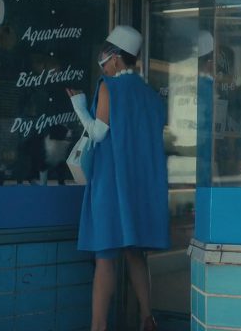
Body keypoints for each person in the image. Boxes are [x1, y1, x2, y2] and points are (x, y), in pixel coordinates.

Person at [66, 25, 169, 331]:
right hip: (141, 184)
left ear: (115, 58)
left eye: (106, 53)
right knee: (135, 253)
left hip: (111, 182)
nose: (103, 60)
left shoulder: (109, 86)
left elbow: (98, 132)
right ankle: (147, 317)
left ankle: (98, 327)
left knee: (106, 256)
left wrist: (79, 106)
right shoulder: (151, 96)